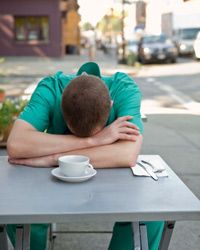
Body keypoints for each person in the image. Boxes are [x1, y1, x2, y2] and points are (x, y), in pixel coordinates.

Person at [7, 62, 163, 250]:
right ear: (61, 109)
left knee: (152, 215)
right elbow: (16, 144)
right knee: (16, 210)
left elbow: (128, 154)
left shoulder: (124, 88)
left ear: (110, 105)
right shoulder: (51, 87)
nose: (89, 139)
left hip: (112, 183)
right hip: (53, 182)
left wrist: (52, 158)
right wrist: (95, 141)